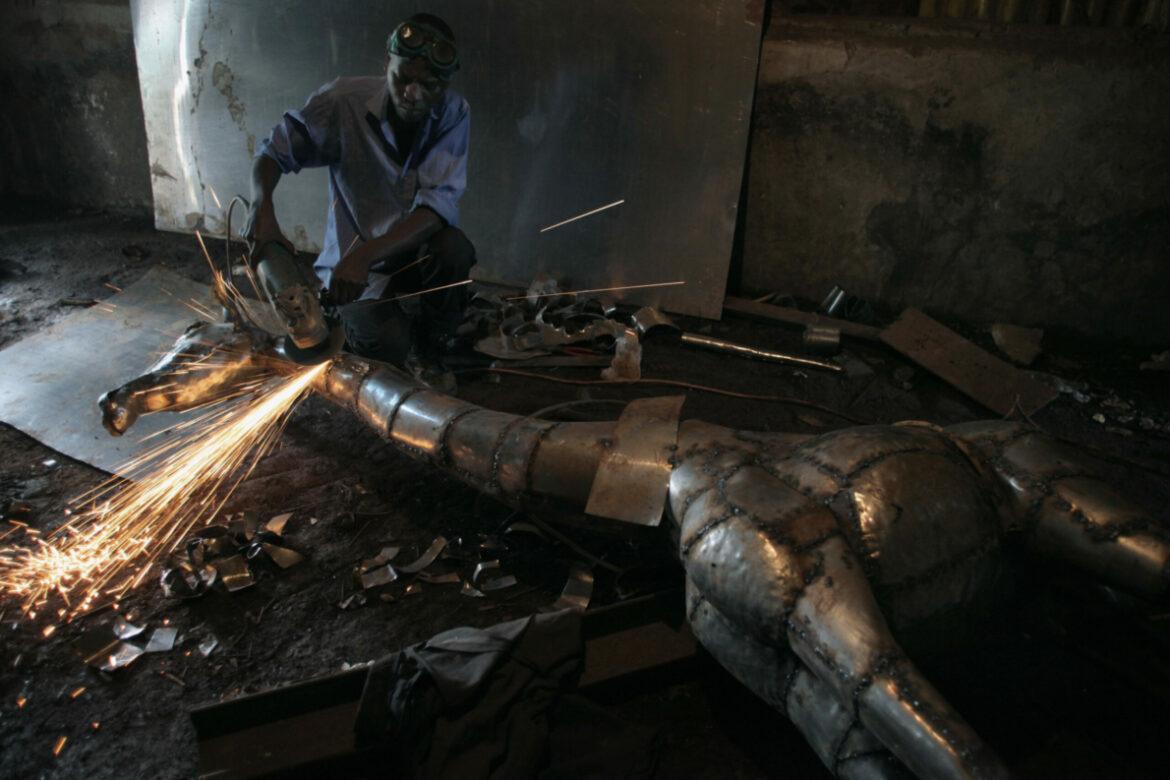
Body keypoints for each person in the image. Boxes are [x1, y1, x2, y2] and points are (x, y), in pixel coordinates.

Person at [245, 13, 474, 369]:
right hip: (348, 270)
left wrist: (366, 255)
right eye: (403, 79)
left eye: (429, 86)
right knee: (388, 347)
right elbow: (273, 153)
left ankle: (434, 347)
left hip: (405, 254)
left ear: (444, 84)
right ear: (386, 63)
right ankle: (351, 317)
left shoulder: (452, 113)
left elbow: (436, 208)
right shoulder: (343, 101)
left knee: (453, 249)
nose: (413, 95)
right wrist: (262, 209)